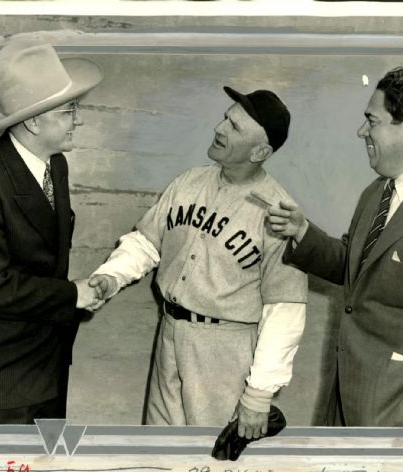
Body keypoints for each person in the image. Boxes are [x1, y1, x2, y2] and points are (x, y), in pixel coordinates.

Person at [89, 87, 308, 438]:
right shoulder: (189, 181)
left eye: (234, 127)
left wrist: (258, 394)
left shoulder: (278, 213)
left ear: (261, 151)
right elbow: (147, 242)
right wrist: (111, 276)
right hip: (171, 334)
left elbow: (284, 311)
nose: (219, 128)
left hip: (225, 352)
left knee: (214, 463)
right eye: (225, 117)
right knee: (160, 451)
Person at [267, 66, 403, 427]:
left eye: (372, 120)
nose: (361, 131)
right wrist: (303, 233)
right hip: (347, 401)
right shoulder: (378, 191)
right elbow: (359, 268)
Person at [0, 40, 104, 424]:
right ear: (34, 121)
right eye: (70, 111)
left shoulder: (56, 165)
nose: (78, 120)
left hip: (48, 359)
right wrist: (73, 294)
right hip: (1, 375)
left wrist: (74, 298)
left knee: (47, 466)